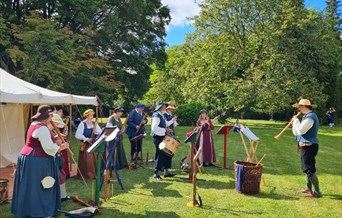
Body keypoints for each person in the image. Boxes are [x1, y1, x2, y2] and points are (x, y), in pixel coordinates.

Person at [11, 105, 69, 217]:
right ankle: (41, 212)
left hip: (30, 157)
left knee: (31, 185)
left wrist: (55, 140)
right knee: (41, 185)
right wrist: (62, 147)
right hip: (37, 160)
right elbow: (48, 148)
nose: (52, 118)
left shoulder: (34, 124)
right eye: (51, 115)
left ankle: (28, 209)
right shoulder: (42, 128)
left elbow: (41, 141)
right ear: (46, 116)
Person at [292, 99, 322, 198]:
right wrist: (294, 123)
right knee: (306, 169)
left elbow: (301, 130)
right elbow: (296, 132)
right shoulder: (306, 116)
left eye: (300, 106)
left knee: (309, 169)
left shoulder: (310, 117)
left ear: (304, 107)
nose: (299, 108)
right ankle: (309, 188)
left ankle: (317, 192)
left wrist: (295, 121)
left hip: (309, 147)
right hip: (304, 146)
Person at [151, 100, 175, 181]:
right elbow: (154, 128)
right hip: (158, 138)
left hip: (162, 137)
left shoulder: (161, 115)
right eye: (164, 106)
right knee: (160, 155)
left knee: (167, 154)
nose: (165, 107)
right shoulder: (156, 115)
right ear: (160, 107)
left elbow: (166, 124)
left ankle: (166, 172)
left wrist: (169, 126)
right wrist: (165, 130)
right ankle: (156, 173)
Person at [50, 113, 71, 201]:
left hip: (56, 156)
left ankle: (62, 196)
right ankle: (56, 197)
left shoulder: (53, 130)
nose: (58, 125)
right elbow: (49, 146)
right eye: (57, 123)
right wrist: (59, 145)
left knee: (61, 175)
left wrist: (58, 141)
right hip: (50, 158)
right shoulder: (47, 130)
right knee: (55, 177)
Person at [75, 109, 102, 179]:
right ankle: (86, 174)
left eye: (92, 115)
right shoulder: (82, 124)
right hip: (85, 145)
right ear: (87, 116)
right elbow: (77, 135)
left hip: (93, 144)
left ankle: (94, 173)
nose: (92, 116)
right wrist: (86, 139)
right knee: (86, 160)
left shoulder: (94, 124)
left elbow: (100, 132)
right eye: (90, 115)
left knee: (94, 158)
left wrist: (96, 132)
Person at [54, 106, 70, 179]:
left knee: (63, 158)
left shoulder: (61, 122)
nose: (61, 113)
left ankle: (65, 173)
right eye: (60, 111)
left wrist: (65, 130)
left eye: (61, 111)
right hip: (56, 142)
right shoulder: (53, 121)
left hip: (62, 141)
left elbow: (64, 134)